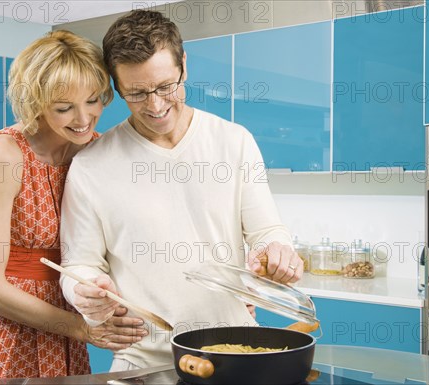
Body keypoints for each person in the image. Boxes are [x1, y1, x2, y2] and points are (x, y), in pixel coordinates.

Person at [59, 10, 304, 371]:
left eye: (165, 86)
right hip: (140, 360)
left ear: (183, 66)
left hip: (234, 351)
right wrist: (82, 292)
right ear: (116, 87)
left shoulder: (234, 142)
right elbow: (78, 264)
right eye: (137, 93)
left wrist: (278, 253)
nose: (155, 106)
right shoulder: (91, 165)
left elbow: (266, 233)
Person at [0, 30, 143, 378]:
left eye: (93, 100)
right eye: (64, 108)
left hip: (64, 332)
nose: (83, 119)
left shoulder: (96, 151)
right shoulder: (5, 155)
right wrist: (81, 329)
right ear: (35, 102)